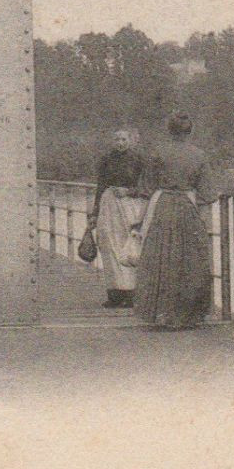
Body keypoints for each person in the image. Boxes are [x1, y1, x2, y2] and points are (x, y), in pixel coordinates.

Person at [133, 112, 214, 329]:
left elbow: (146, 188)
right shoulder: (199, 155)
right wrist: (205, 223)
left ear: (169, 130)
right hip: (188, 207)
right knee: (190, 260)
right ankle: (189, 315)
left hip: (162, 207)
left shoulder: (158, 153)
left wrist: (138, 222)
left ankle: (162, 314)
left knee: (161, 258)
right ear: (190, 131)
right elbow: (206, 194)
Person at [92, 127, 148, 308]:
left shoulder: (139, 159)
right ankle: (114, 293)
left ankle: (131, 293)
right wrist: (95, 212)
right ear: (112, 141)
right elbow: (100, 186)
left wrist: (129, 191)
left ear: (130, 141)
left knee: (129, 245)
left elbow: (147, 186)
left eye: (124, 140)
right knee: (108, 244)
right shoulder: (106, 160)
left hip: (130, 203)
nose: (120, 143)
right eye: (117, 140)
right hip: (109, 204)